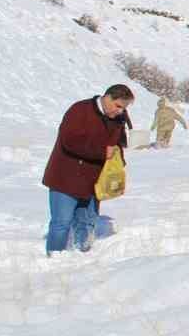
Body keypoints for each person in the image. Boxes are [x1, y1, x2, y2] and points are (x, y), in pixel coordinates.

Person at [42, 84, 133, 253]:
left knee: (87, 221)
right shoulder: (79, 110)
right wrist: (102, 151)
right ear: (107, 97)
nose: (120, 111)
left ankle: (82, 255)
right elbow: (69, 141)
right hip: (66, 177)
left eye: (124, 108)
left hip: (94, 180)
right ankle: (54, 259)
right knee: (61, 223)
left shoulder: (118, 118)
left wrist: (117, 160)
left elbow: (118, 144)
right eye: (118, 106)